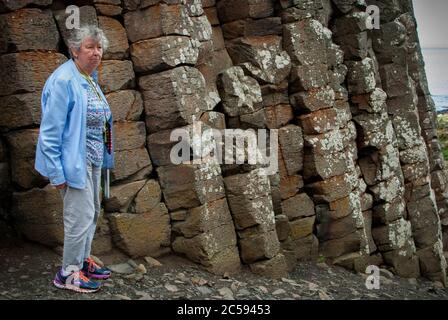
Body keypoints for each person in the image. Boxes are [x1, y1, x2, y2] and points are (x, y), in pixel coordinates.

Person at [35, 25, 114, 293]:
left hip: (91, 159)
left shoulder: (88, 77)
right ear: (75, 50)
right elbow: (49, 134)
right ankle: (68, 272)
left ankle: (82, 261)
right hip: (72, 164)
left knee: (91, 212)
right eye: (90, 47)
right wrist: (57, 175)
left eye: (99, 47)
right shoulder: (64, 80)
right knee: (78, 217)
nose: (96, 53)